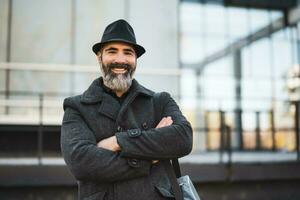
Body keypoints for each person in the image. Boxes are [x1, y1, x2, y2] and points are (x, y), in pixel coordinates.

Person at [61, 19, 193, 200]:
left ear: (135, 59)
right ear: (99, 56)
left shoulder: (160, 101)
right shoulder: (77, 107)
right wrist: (150, 159)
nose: (120, 60)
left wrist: (117, 141)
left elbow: (183, 138)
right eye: (112, 51)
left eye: (128, 53)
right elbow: (81, 163)